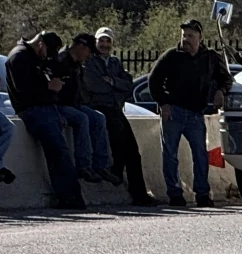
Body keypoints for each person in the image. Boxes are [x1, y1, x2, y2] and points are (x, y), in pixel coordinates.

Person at [150, 19, 232, 208]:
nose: (186, 39)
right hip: (173, 112)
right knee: (170, 153)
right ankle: (175, 194)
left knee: (200, 154)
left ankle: (202, 193)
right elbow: (154, 80)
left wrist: (221, 91)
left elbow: (225, 78)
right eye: (184, 35)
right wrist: (163, 103)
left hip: (196, 113)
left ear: (200, 38)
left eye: (190, 36)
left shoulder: (210, 57)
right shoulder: (172, 56)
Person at [5, 33, 85, 208]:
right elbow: (23, 90)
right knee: (58, 152)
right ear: (40, 45)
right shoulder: (20, 57)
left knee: (60, 151)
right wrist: (48, 86)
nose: (47, 57)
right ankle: (70, 198)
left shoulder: (34, 57)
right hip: (33, 109)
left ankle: (71, 197)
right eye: (47, 52)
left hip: (46, 108)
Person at [82, 28, 156, 206]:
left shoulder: (115, 63)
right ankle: (115, 169)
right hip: (99, 108)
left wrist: (113, 82)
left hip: (116, 108)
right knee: (117, 137)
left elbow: (128, 84)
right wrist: (114, 86)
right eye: (101, 41)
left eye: (108, 42)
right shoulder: (90, 62)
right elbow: (93, 85)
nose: (104, 45)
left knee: (133, 150)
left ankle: (139, 194)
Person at [50, 33, 116, 185]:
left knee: (99, 118)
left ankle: (101, 165)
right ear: (80, 46)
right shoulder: (61, 61)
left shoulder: (77, 63)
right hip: (59, 105)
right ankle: (84, 166)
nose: (89, 55)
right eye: (89, 51)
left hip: (74, 104)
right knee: (82, 119)